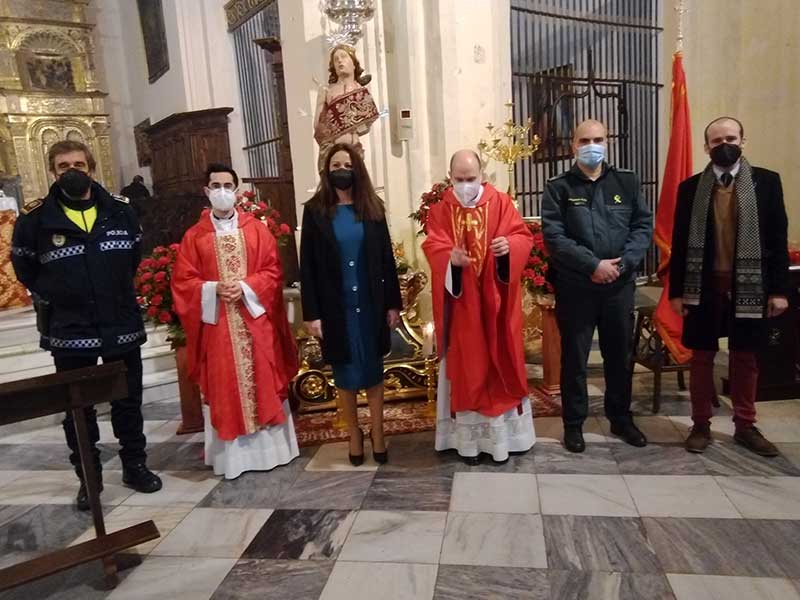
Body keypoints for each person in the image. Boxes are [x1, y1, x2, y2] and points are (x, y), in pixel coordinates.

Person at [11, 140, 161, 510]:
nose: (73, 170)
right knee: (79, 409)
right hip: (70, 332)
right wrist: (61, 293)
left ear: (92, 168)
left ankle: (135, 466)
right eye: (64, 166)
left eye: (79, 163)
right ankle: (89, 478)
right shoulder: (35, 220)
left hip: (119, 324)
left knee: (128, 401)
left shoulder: (121, 212)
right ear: (53, 172)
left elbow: (133, 258)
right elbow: (25, 268)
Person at [669, 116, 789, 457]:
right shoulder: (690, 188)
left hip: (750, 288)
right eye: (717, 140)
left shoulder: (766, 183)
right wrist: (677, 291)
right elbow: (680, 243)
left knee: (745, 357)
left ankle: (745, 425)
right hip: (702, 287)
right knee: (702, 357)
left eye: (731, 138)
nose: (725, 145)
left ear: (743, 140)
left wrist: (779, 290)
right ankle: (701, 424)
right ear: (706, 147)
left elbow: (777, 240)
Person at [172, 163, 300, 478]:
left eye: (227, 185)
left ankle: (272, 452)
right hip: (218, 325)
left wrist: (244, 287)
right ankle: (233, 459)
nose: (222, 192)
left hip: (254, 321)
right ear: (206, 191)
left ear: (237, 189)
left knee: (263, 379)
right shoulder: (194, 237)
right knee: (225, 385)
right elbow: (183, 282)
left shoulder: (257, 229)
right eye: (215, 186)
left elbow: (273, 271)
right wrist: (214, 289)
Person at [542, 119, 653, 453]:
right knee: (574, 359)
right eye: (585, 140)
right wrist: (593, 266)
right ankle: (573, 425)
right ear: (573, 145)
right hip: (576, 286)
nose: (592, 145)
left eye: (599, 139)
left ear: (608, 142)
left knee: (619, 355)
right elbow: (554, 236)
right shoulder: (558, 186)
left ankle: (620, 419)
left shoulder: (627, 181)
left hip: (618, 284)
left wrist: (623, 264)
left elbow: (642, 225)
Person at [422, 149, 536, 465]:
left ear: (482, 176)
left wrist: (507, 248)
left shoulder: (500, 202)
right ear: (450, 178)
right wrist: (450, 260)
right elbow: (434, 245)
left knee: (498, 364)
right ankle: (467, 444)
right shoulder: (441, 210)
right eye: (459, 179)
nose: (465, 185)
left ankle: (503, 440)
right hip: (463, 310)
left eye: (470, 179)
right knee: (468, 367)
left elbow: (521, 237)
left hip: (496, 305)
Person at [300, 143, 402, 465]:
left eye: (346, 163)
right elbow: (308, 268)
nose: (341, 170)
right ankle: (354, 433)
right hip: (336, 305)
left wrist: (393, 305)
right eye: (334, 165)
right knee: (345, 372)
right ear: (326, 172)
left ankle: (379, 431)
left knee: (372, 370)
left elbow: (387, 259)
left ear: (356, 167)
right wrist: (312, 313)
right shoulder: (315, 210)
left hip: (370, 302)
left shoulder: (372, 207)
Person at [313, 44, 379, 173]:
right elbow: (318, 125)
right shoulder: (327, 91)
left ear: (354, 64)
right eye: (335, 59)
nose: (339, 61)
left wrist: (354, 125)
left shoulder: (361, 91)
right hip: (333, 151)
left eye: (343, 57)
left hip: (355, 150)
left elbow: (366, 125)